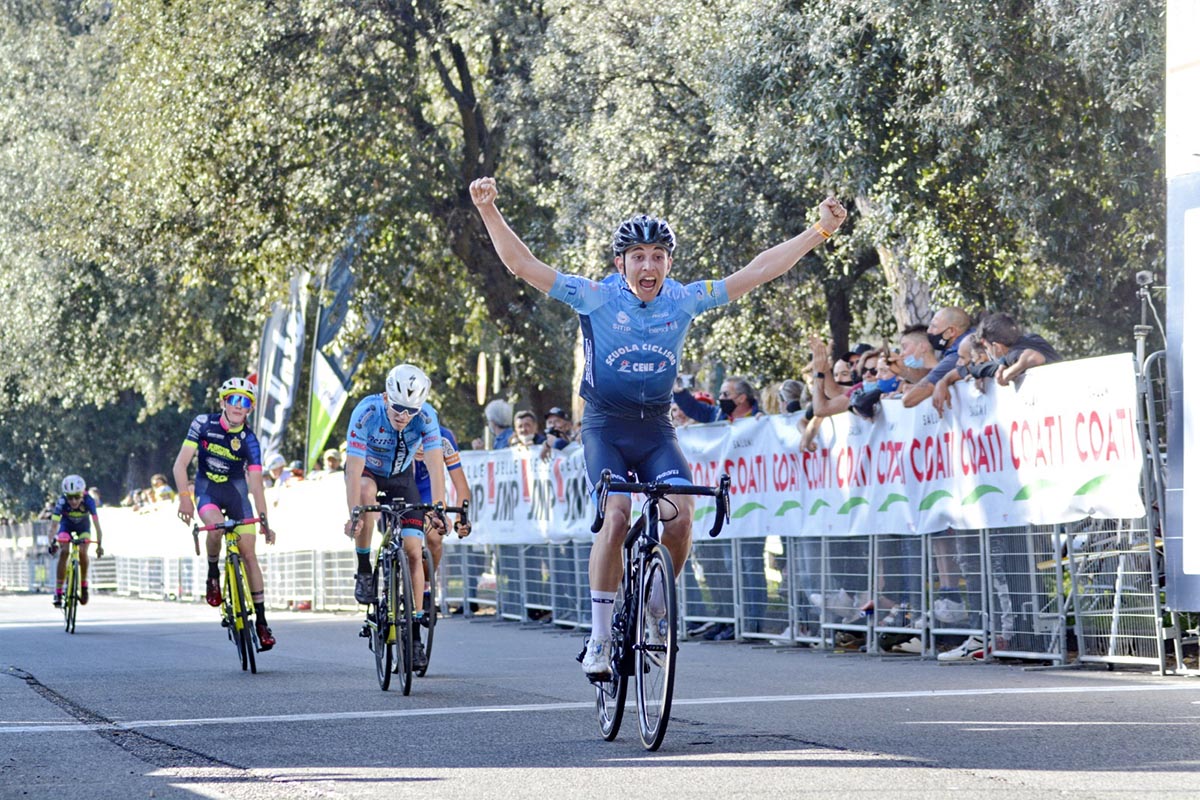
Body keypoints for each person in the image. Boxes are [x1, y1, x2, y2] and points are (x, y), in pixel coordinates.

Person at [470, 175, 846, 677]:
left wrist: (818, 231)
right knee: (618, 514)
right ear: (620, 263)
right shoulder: (595, 297)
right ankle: (600, 638)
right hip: (605, 427)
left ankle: (652, 602)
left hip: (656, 431)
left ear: (669, 263)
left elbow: (758, 271)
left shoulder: (685, 299)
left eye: (658, 256)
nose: (648, 265)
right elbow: (523, 266)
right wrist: (489, 210)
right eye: (638, 256)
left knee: (682, 515)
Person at [343, 363, 448, 672]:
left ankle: (414, 636)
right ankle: (364, 567)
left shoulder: (426, 417)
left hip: (403, 480)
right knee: (364, 498)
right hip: (369, 474)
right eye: (399, 408)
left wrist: (439, 507)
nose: (404, 417)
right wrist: (353, 514)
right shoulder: (367, 412)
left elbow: (434, 466)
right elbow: (352, 470)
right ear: (387, 398)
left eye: (411, 411)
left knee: (415, 551)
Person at [172, 377, 278, 650]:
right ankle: (212, 573)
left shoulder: (250, 441)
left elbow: (256, 484)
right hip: (208, 491)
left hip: (236, 494)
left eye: (245, 402)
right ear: (223, 402)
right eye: (233, 399)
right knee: (216, 528)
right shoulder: (202, 424)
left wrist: (264, 520)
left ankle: (262, 621)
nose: (238, 406)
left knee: (249, 554)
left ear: (250, 409)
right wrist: (185, 499)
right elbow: (180, 465)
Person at [413, 422, 473, 612]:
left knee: (434, 538)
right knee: (408, 544)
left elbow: (461, 486)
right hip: (399, 487)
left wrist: (459, 519)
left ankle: (426, 583)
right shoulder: (398, 426)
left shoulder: (443, 437)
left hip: (427, 491)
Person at [901, 306, 975, 415]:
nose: (929, 331)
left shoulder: (956, 355)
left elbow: (909, 400)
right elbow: (933, 379)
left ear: (950, 331)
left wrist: (910, 392)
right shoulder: (970, 341)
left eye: (933, 326)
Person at [48, 474, 105, 607]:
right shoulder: (62, 501)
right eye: (70, 497)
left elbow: (97, 526)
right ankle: (58, 591)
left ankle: (84, 585)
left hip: (83, 527)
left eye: (77, 497)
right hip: (66, 526)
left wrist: (99, 545)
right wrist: (52, 542)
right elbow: (53, 526)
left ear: (83, 494)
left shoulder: (89, 501)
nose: (73, 501)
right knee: (64, 552)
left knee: (83, 552)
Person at [976, 312, 1063, 385]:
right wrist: (1003, 364)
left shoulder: (1012, 355)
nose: (988, 351)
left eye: (987, 347)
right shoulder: (1033, 338)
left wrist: (1007, 374)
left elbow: (1033, 357)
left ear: (997, 347)